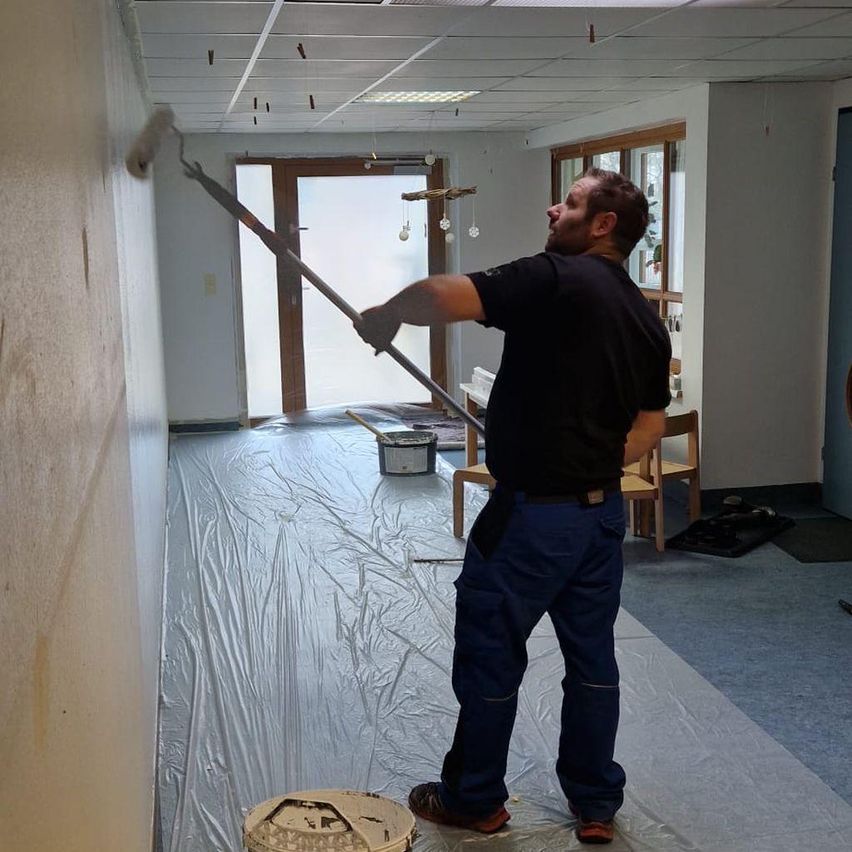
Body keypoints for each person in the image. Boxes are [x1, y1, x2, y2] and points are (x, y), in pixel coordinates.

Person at [354, 168, 671, 845]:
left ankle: (474, 799)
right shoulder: (645, 318)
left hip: (531, 520)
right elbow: (651, 426)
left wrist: (385, 313)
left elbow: (442, 294)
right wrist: (588, 460)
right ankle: (595, 801)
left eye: (572, 202)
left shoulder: (555, 278)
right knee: (593, 662)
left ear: (603, 225)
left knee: (490, 656)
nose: (555, 209)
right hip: (599, 520)